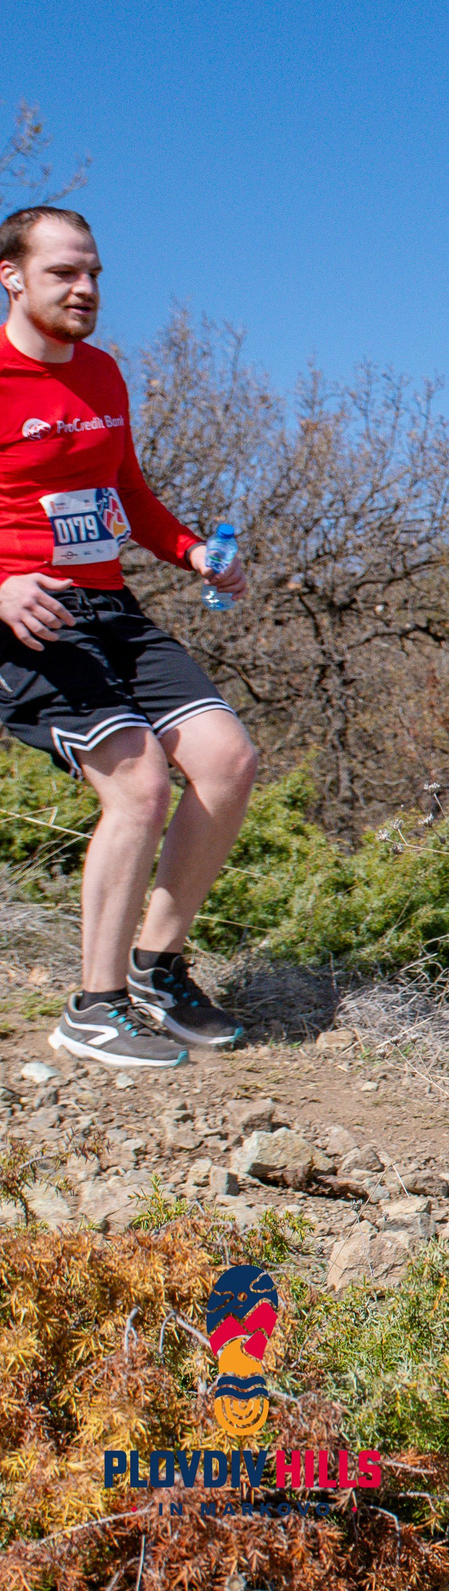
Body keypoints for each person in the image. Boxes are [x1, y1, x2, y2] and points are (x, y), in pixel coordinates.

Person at [0, 206, 256, 1069]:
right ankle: (93, 1007)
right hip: (26, 622)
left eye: (96, 274)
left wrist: (191, 553)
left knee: (227, 759)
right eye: (64, 273)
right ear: (13, 277)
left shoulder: (103, 373)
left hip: (111, 609)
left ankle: (158, 968)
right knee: (140, 781)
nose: (85, 289)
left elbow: (128, 495)